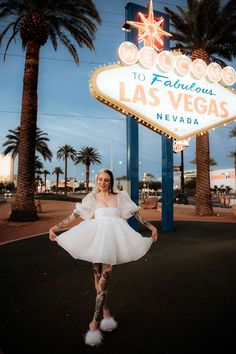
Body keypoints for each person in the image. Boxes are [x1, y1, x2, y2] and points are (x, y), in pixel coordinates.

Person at [49, 169, 158, 347]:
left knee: (105, 278)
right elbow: (75, 216)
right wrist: (56, 226)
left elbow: (136, 214)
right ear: (97, 181)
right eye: (100, 179)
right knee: (97, 278)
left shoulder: (120, 197)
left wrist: (151, 227)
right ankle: (106, 311)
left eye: (106, 180)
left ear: (111, 181)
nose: (103, 182)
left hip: (113, 240)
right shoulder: (92, 198)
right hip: (96, 239)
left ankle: (93, 322)